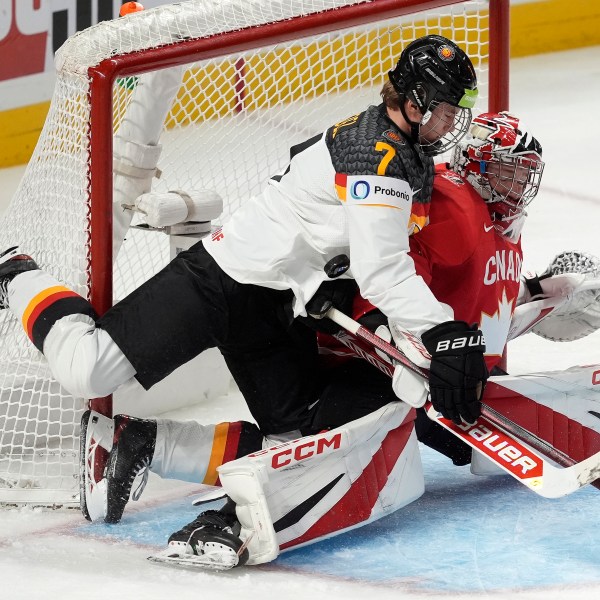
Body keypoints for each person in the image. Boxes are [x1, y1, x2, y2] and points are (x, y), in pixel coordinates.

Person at [85, 112, 549, 567]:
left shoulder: (498, 222)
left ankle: (142, 442)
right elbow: (385, 281)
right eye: (507, 169)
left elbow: (476, 293)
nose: (518, 183)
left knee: (442, 439)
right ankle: (227, 513)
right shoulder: (451, 206)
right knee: (339, 440)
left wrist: (543, 292)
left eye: (524, 172)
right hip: (349, 348)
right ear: (476, 163)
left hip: (411, 362)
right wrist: (409, 340)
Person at [0, 34, 482, 440]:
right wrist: (441, 331)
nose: (453, 123)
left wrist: (339, 281)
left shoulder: (404, 152)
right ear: (416, 102)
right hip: (221, 282)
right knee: (88, 368)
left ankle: (146, 446)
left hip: (275, 303)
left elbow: (342, 234)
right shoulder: (375, 156)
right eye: (447, 110)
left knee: (296, 434)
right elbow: (384, 267)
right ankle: (16, 271)